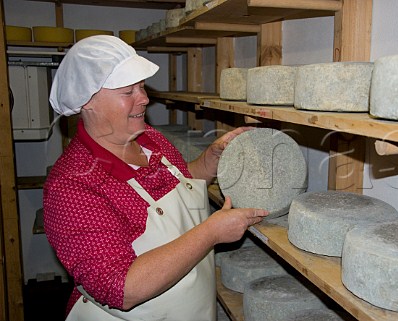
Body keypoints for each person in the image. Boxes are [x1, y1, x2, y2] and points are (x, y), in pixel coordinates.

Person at [43, 35, 268, 321]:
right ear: (88, 101)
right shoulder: (72, 186)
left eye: (142, 86)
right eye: (128, 92)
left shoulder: (149, 139)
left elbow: (178, 183)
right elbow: (121, 288)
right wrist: (211, 232)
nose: (145, 98)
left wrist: (209, 161)